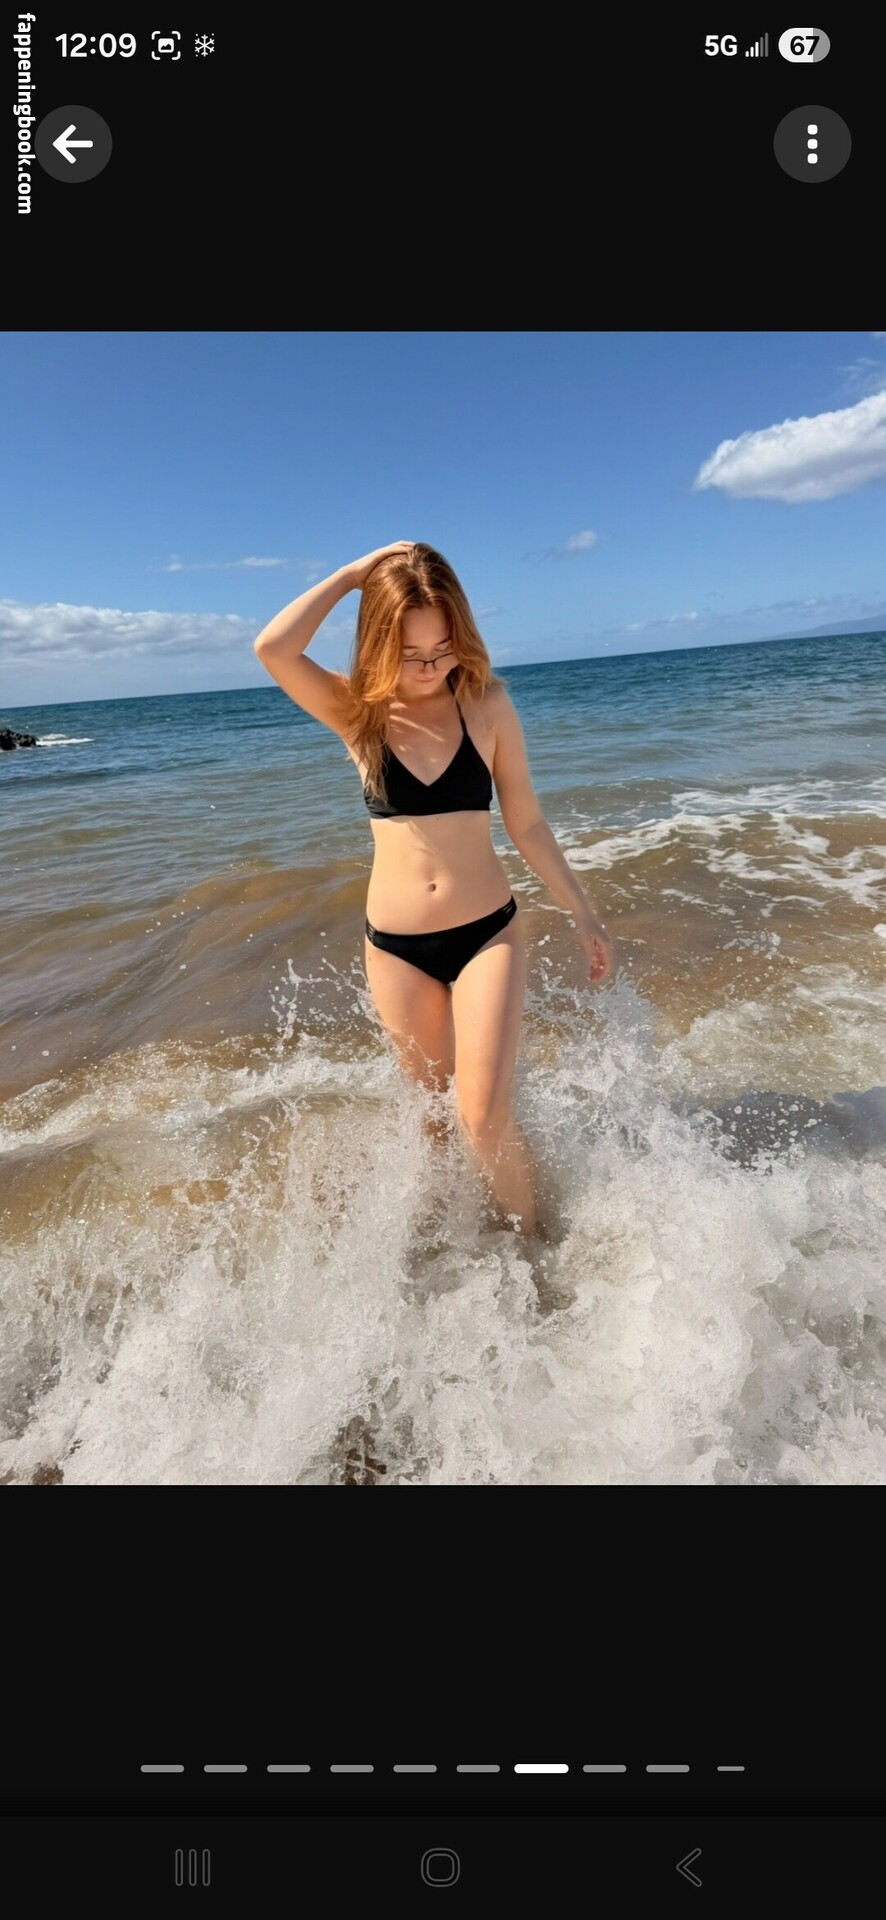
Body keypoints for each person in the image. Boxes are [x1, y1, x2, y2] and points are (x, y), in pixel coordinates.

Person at [253, 542, 615, 1237]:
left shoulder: (487, 704)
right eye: (411, 653)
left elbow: (526, 822)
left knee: (481, 1117)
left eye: (442, 649)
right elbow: (273, 648)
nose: (429, 667)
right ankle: (457, 1250)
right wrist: (352, 577)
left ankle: (534, 1248)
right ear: (379, 644)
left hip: (487, 934)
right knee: (434, 1123)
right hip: (396, 950)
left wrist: (582, 909)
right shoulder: (356, 711)